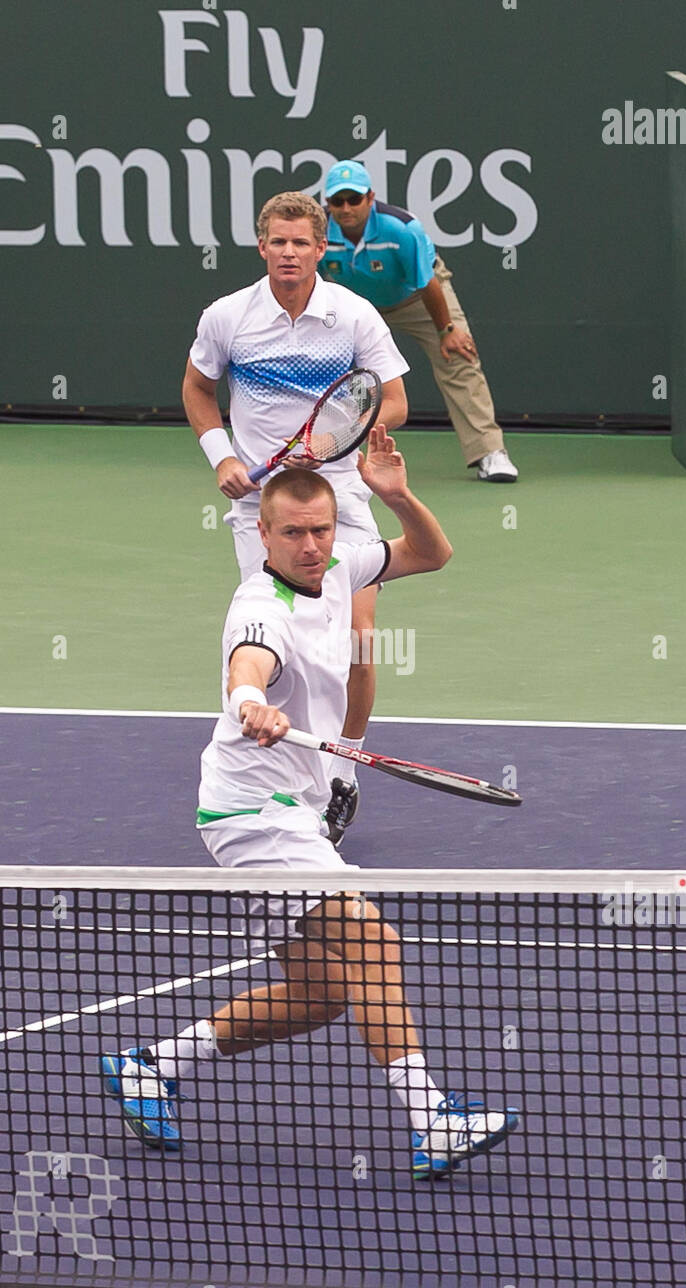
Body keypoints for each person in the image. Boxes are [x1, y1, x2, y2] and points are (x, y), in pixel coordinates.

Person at [100, 428, 519, 1176]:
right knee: (375, 944)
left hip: (281, 809)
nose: (310, 545)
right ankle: (433, 1122)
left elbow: (432, 554)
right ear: (263, 533)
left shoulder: (343, 565)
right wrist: (252, 702)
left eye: (320, 530)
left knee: (325, 994)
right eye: (292, 532)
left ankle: (152, 1065)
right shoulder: (259, 606)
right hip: (255, 815)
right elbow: (247, 665)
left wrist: (396, 497)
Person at [182, 190, 410, 847]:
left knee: (358, 637)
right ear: (263, 247)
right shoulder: (228, 317)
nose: (288, 252)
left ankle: (343, 771)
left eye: (300, 243)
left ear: (320, 249)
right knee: (278, 643)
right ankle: (280, 778)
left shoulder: (354, 316)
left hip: (338, 496)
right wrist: (220, 455)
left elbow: (392, 399)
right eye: (277, 242)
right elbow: (197, 388)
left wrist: (344, 429)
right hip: (260, 506)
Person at [320, 159, 518, 483]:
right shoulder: (319, 231)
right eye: (337, 201)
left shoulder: (400, 228)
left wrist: (446, 330)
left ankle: (489, 452)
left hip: (416, 297)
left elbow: (427, 283)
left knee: (458, 354)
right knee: (343, 371)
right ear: (328, 203)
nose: (346, 208)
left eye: (354, 199)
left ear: (370, 198)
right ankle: (343, 452)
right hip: (354, 305)